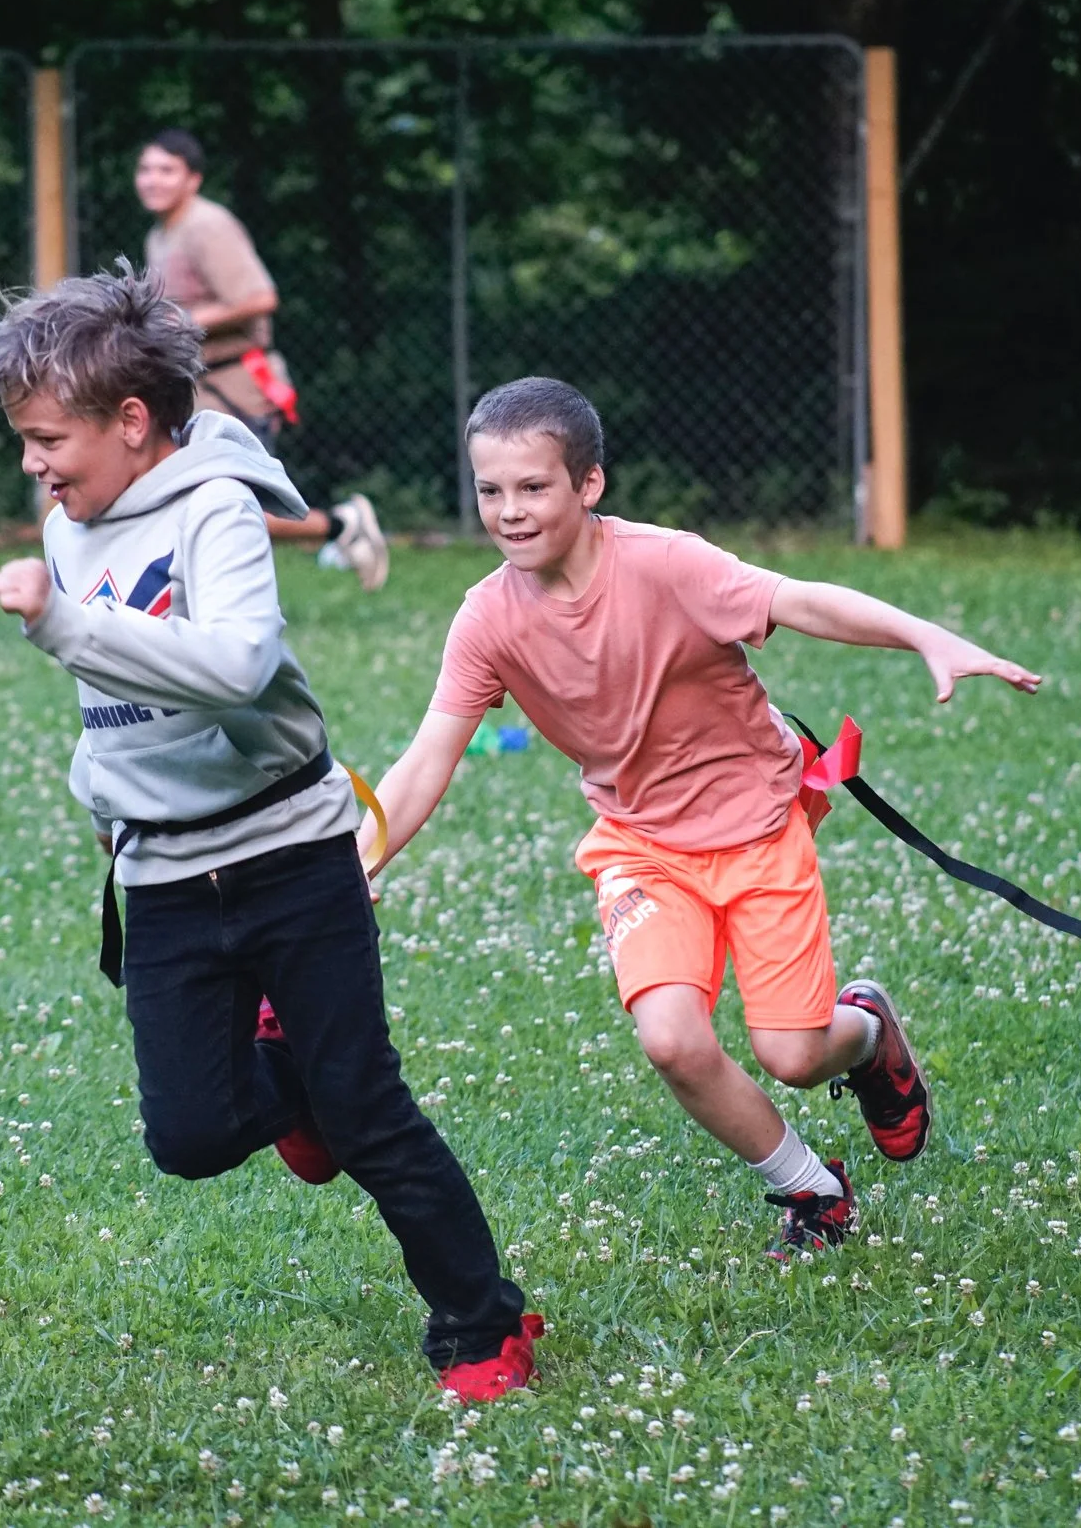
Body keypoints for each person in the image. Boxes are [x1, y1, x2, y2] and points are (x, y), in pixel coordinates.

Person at [0, 263, 542, 1397]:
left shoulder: (218, 509)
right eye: (25, 440)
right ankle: (292, 1075)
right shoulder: (67, 526)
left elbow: (236, 668)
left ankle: (484, 1325)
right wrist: (103, 804)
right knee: (186, 1135)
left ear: (131, 422)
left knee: (368, 1110)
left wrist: (64, 626)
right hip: (169, 881)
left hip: (291, 856)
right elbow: (114, 714)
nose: (33, 461)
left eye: (47, 437)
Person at [366, 377, 1043, 1257]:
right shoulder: (488, 618)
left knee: (793, 1053)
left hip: (758, 825)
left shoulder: (667, 564)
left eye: (533, 487)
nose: (510, 511)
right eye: (490, 490)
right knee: (674, 1040)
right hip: (639, 844)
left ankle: (870, 1034)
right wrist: (357, 856)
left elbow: (800, 600)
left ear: (588, 485)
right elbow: (428, 756)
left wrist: (927, 635)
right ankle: (812, 1189)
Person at [136, 128, 390, 590]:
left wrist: (182, 322)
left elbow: (259, 297)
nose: (153, 180)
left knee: (234, 506)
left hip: (233, 387)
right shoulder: (161, 234)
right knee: (194, 501)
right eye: (146, 169)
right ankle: (337, 528)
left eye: (166, 170)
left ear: (193, 179)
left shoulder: (206, 225)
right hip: (195, 386)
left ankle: (339, 525)